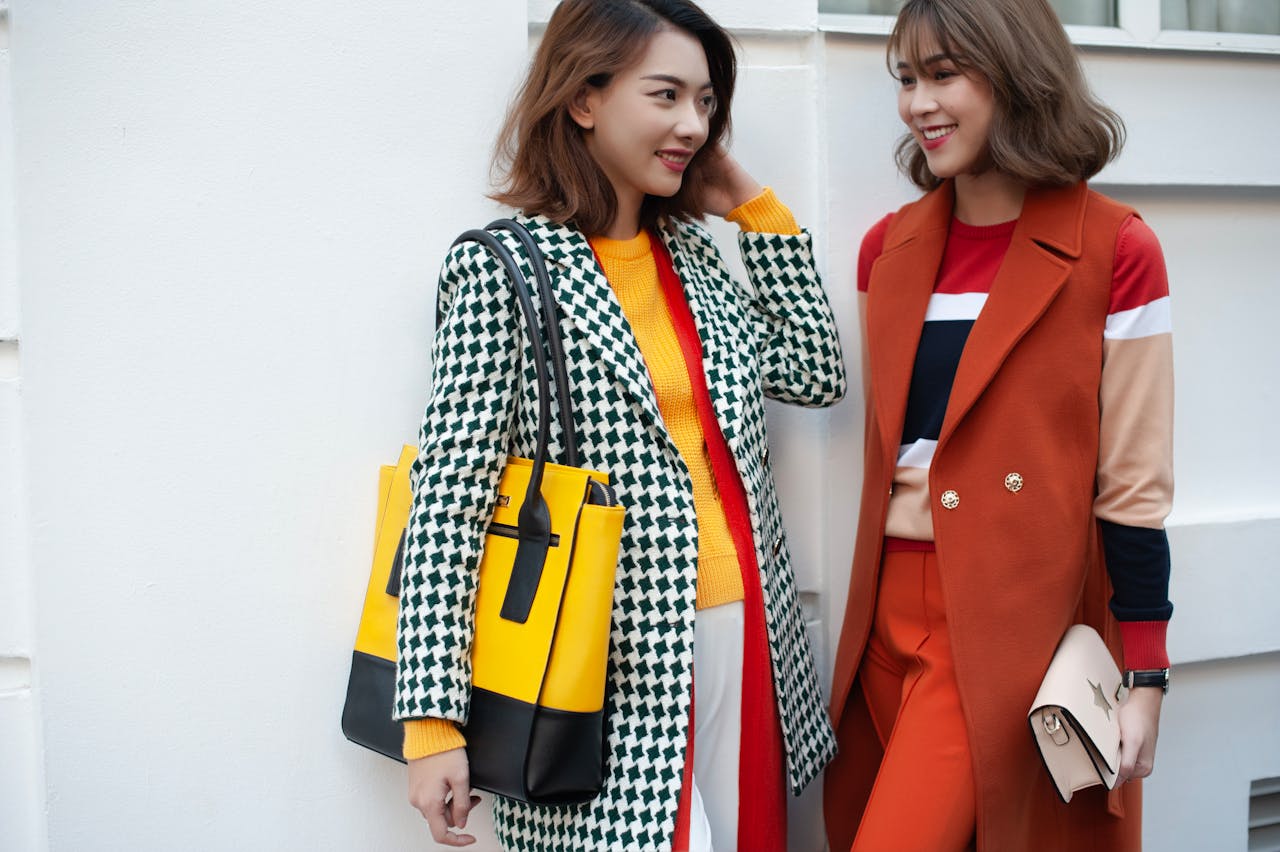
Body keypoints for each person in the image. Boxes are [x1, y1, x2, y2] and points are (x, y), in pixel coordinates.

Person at [393, 1, 846, 849]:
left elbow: (816, 374)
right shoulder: (505, 270)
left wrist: (753, 206)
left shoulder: (694, 258)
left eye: (706, 103)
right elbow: (450, 499)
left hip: (743, 633)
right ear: (583, 98)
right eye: (666, 95)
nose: (692, 125)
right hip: (602, 671)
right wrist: (431, 723)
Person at [825, 0, 1174, 849]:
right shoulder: (887, 249)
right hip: (879, 618)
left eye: (944, 74)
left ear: (1016, 75)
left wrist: (1147, 677)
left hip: (998, 613)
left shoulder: (1116, 248)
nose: (917, 103)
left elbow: (1134, 484)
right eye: (906, 79)